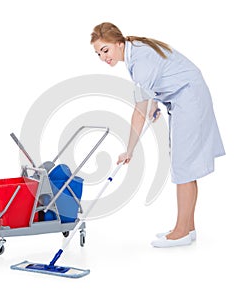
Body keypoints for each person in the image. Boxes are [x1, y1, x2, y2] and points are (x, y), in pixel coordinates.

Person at [90, 22, 225, 247]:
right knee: (186, 166)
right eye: (98, 54)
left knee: (183, 167)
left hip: (189, 100)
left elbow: (138, 113)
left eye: (106, 50)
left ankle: (181, 232)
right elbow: (157, 82)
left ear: (119, 43)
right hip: (185, 98)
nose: (103, 57)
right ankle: (188, 228)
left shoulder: (139, 61)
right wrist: (154, 105)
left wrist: (129, 150)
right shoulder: (136, 52)